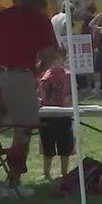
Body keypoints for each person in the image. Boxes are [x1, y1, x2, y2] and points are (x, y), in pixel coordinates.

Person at [0, 0, 58, 198]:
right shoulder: (40, 20)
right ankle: (13, 182)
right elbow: (50, 54)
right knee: (23, 129)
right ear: (39, 6)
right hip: (18, 75)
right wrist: (38, 72)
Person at [37, 47, 75, 181]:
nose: (54, 61)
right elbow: (39, 92)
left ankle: (64, 173)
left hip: (63, 115)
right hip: (46, 115)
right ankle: (46, 173)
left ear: (63, 59)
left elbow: (71, 95)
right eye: (52, 58)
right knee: (47, 146)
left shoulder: (68, 75)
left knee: (65, 146)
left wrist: (69, 100)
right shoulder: (43, 75)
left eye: (57, 58)